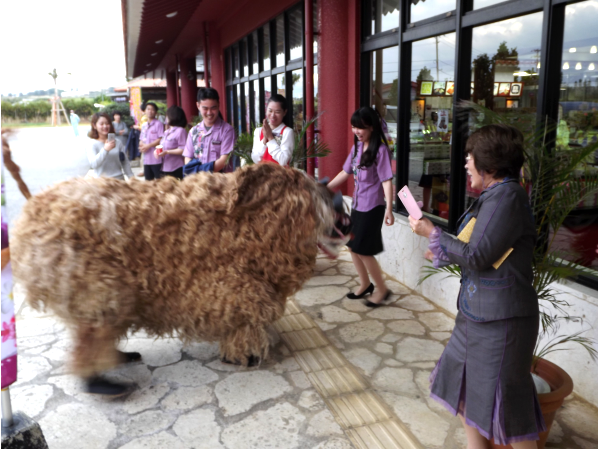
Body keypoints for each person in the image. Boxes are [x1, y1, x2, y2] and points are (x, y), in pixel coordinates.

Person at [409, 124, 545, 449]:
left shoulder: (507, 196)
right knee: (467, 395)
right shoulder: (491, 197)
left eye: (470, 156)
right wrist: (440, 247)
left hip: (502, 324)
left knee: (508, 410)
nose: (466, 163)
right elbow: (475, 247)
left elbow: (479, 254)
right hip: (475, 317)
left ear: (491, 164)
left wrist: (433, 234)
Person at [326, 107, 395, 307]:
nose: (356, 130)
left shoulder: (380, 150)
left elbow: (386, 181)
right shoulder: (356, 148)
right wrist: (325, 188)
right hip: (358, 204)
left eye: (361, 127)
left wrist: (389, 209)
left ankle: (382, 290)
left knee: (364, 250)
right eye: (354, 126)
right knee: (352, 246)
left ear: (372, 127)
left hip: (373, 207)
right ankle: (365, 285)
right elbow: (345, 171)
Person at [183, 88, 236, 173]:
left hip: (220, 181)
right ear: (198, 106)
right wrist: (194, 172)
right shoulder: (193, 131)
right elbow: (187, 157)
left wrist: (200, 172)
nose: (209, 113)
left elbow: (224, 161)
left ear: (219, 105)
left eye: (213, 108)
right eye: (205, 108)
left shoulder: (227, 130)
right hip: (197, 181)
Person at [87, 112, 134, 180]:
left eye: (107, 123)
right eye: (101, 124)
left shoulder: (118, 142)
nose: (105, 126)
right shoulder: (92, 143)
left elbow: (125, 162)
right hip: (101, 183)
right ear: (94, 126)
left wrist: (132, 178)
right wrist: (105, 150)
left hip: (119, 181)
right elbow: (93, 164)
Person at [251, 94, 295, 166]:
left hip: (280, 176)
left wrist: (270, 138)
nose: (272, 115)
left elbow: (283, 161)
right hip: (262, 175)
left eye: (277, 112)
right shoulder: (258, 131)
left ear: (284, 112)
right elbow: (255, 159)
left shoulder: (287, 132)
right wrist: (265, 139)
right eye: (270, 111)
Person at [155, 106, 187, 180]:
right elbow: (162, 146)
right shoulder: (166, 132)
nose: (166, 118)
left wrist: (167, 152)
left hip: (176, 168)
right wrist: (156, 152)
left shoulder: (180, 131)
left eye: (167, 115)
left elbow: (184, 149)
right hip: (164, 167)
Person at [139, 102, 164, 180]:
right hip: (146, 159)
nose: (150, 111)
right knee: (148, 182)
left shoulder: (159, 124)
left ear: (156, 112)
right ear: (145, 111)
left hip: (156, 159)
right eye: (148, 109)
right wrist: (141, 146)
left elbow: (161, 139)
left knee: (159, 181)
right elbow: (141, 139)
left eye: (152, 109)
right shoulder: (144, 125)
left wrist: (148, 146)